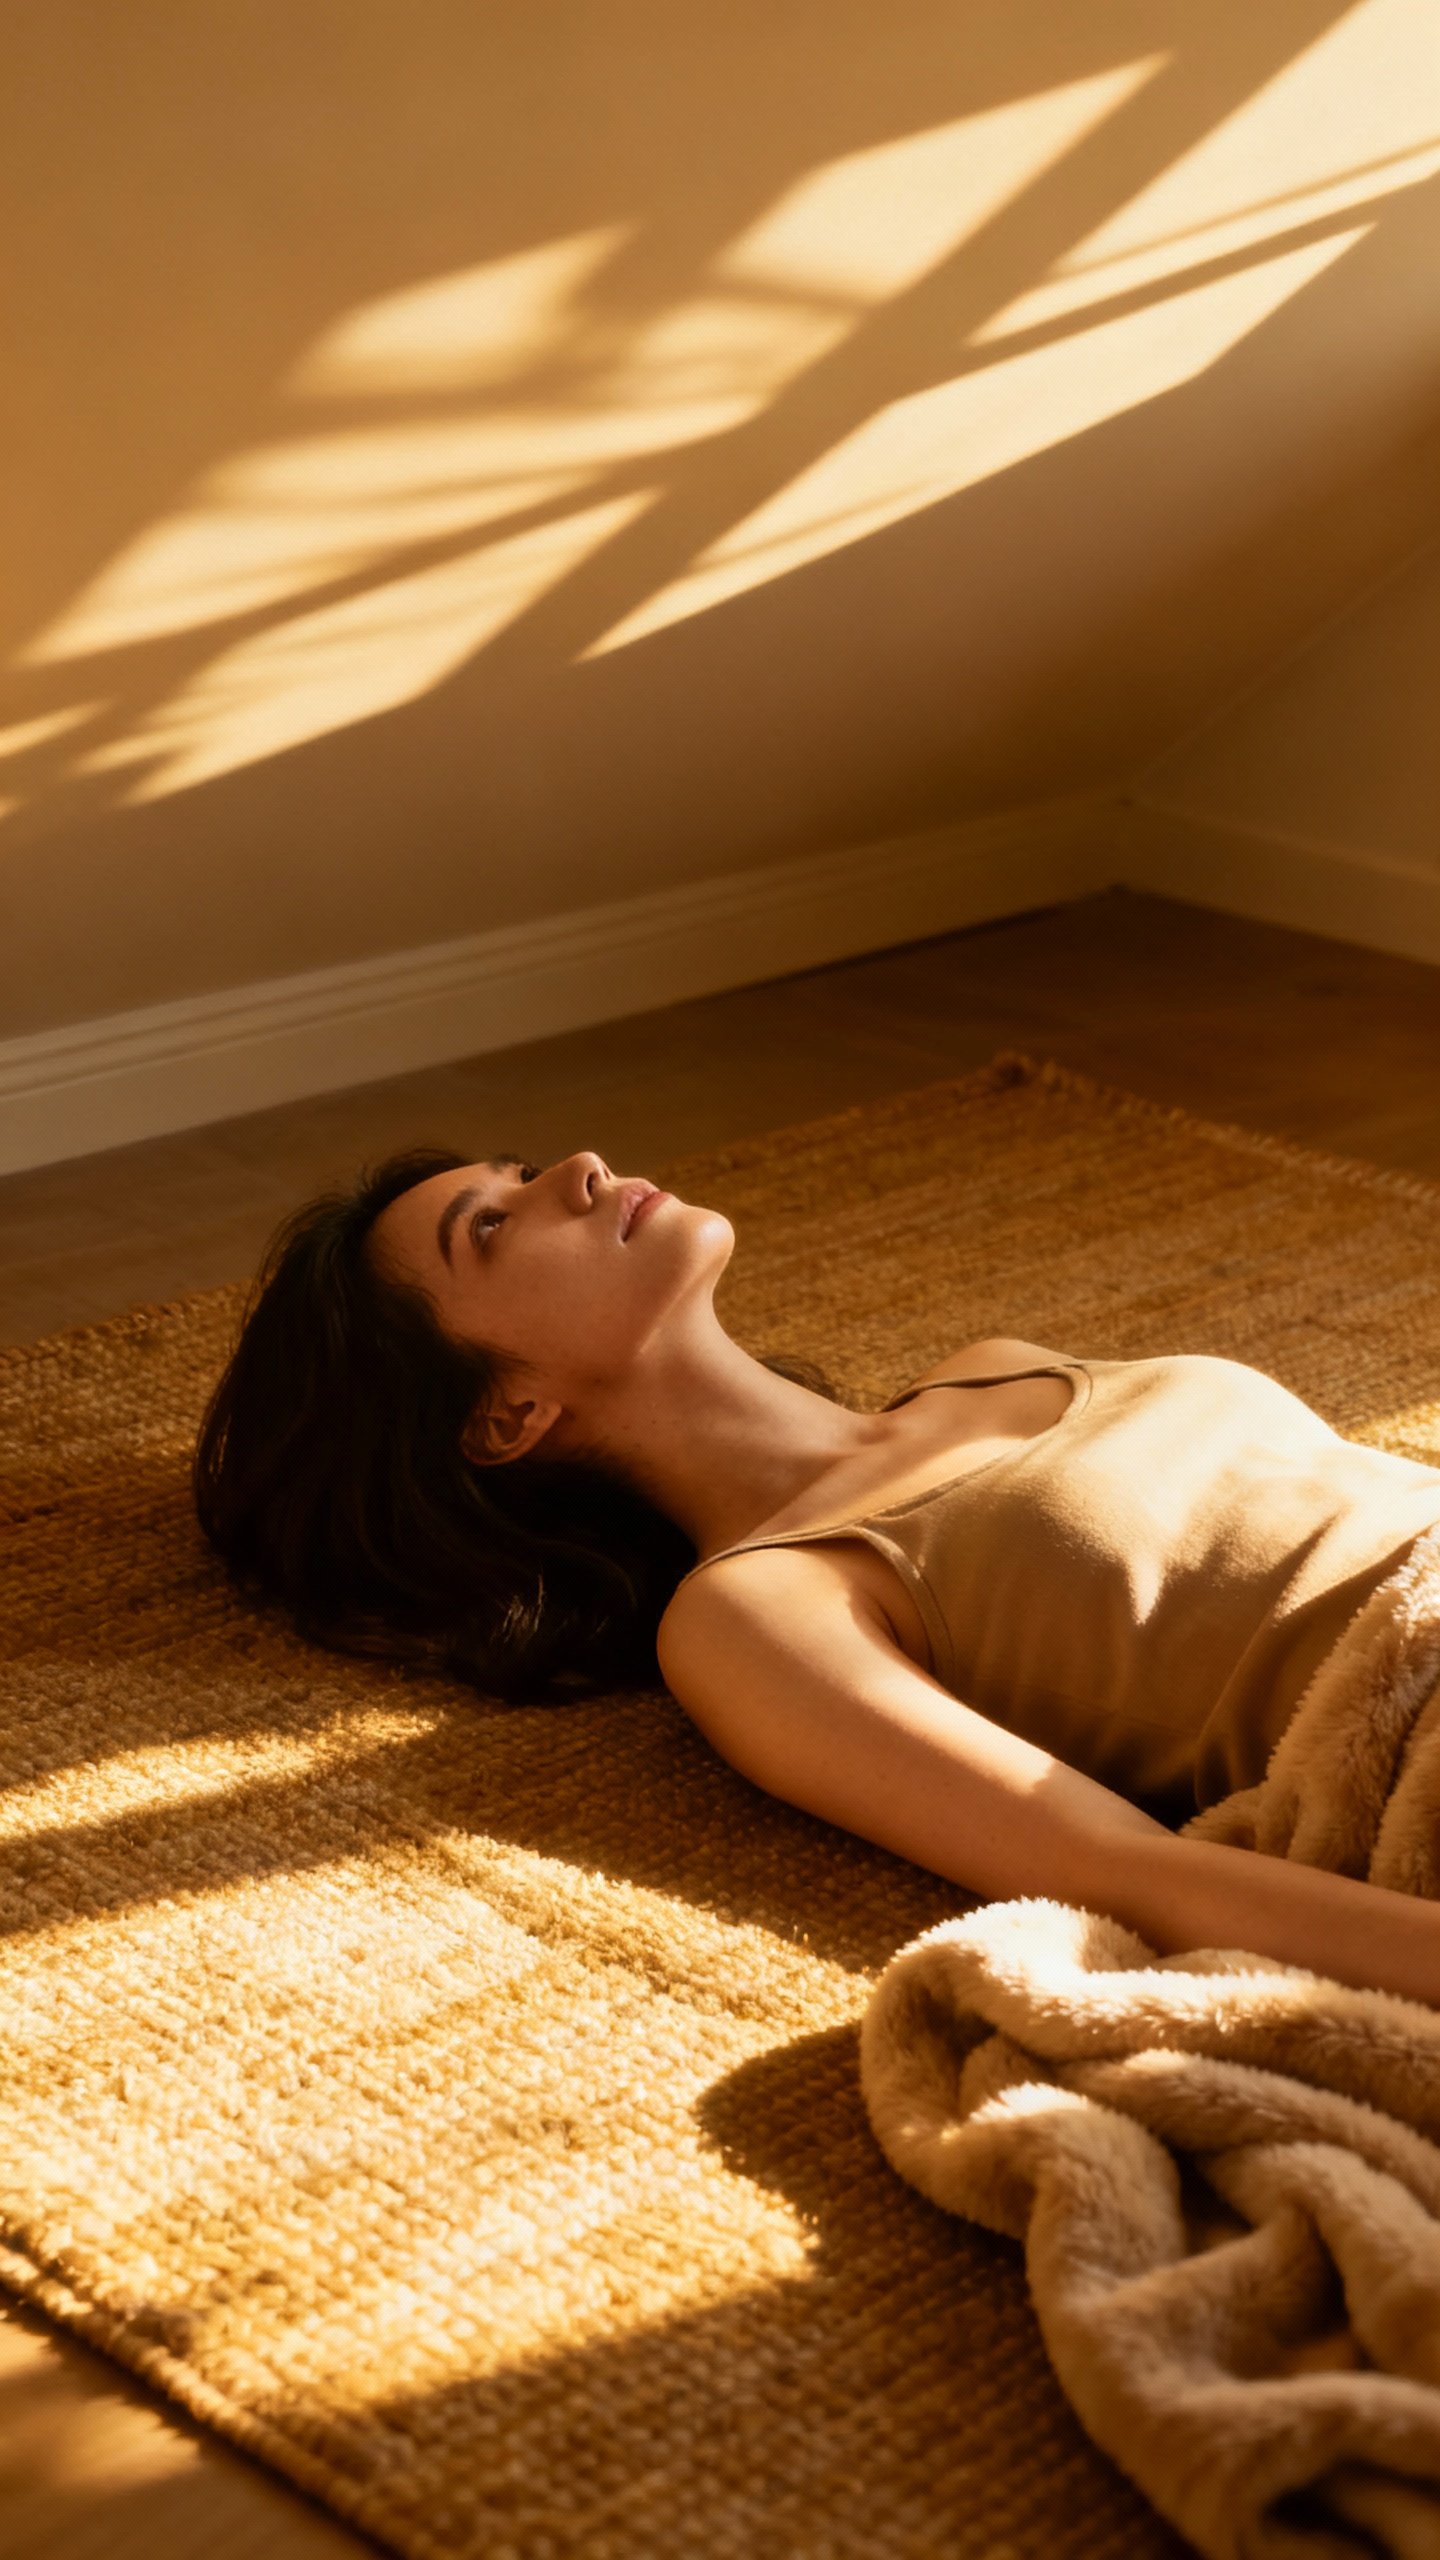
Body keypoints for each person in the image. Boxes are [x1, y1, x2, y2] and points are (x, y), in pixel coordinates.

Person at [195, 1145, 1440, 2006]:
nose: (573, 1169)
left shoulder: (993, 1365)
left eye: (519, 1171)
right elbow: (1125, 1875)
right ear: (506, 1413)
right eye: (495, 1224)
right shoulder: (756, 1611)